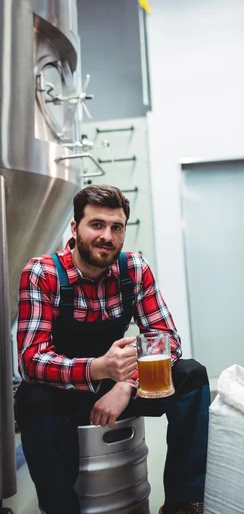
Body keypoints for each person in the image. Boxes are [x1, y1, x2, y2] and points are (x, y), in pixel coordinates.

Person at [15, 184, 210, 514]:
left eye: (116, 227)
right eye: (97, 225)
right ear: (75, 228)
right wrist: (99, 368)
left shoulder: (133, 269)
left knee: (192, 375)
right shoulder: (42, 272)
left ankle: (182, 503)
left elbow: (167, 339)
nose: (107, 236)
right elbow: (31, 360)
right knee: (32, 398)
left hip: (119, 384)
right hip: (66, 391)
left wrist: (125, 383)